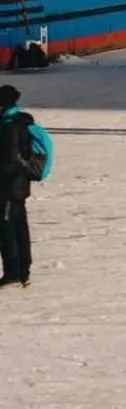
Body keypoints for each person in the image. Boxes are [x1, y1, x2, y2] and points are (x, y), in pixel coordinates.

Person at [0, 84, 51, 290]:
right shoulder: (18, 122)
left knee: (7, 229)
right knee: (19, 227)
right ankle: (23, 271)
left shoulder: (11, 127)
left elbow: (8, 160)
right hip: (17, 185)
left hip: (10, 186)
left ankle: (14, 272)